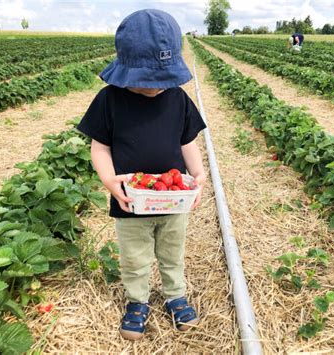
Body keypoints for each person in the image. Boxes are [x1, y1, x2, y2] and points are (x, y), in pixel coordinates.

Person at [77, 9, 207, 341]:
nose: (154, 88)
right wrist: (109, 180)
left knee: (172, 252)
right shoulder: (109, 100)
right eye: (146, 80)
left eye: (160, 80)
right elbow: (100, 147)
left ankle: (175, 295)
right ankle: (137, 301)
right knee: (134, 258)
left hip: (173, 201)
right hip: (131, 203)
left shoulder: (178, 98)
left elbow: (187, 139)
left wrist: (198, 173)